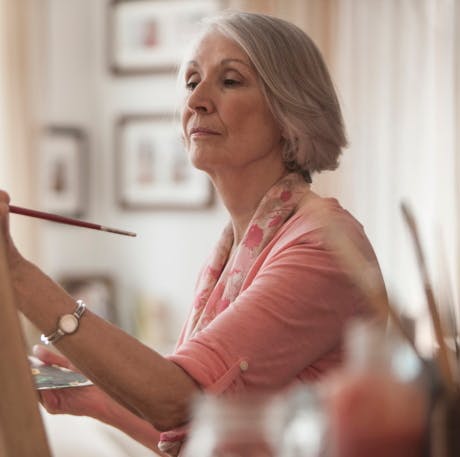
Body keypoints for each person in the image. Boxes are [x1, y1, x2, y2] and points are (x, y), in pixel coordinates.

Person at [0, 11, 386, 457]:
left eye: (231, 80)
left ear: (289, 109)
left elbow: (176, 401)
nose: (197, 100)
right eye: (191, 81)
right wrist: (94, 398)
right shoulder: (235, 247)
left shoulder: (323, 244)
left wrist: (17, 274)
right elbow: (201, 427)